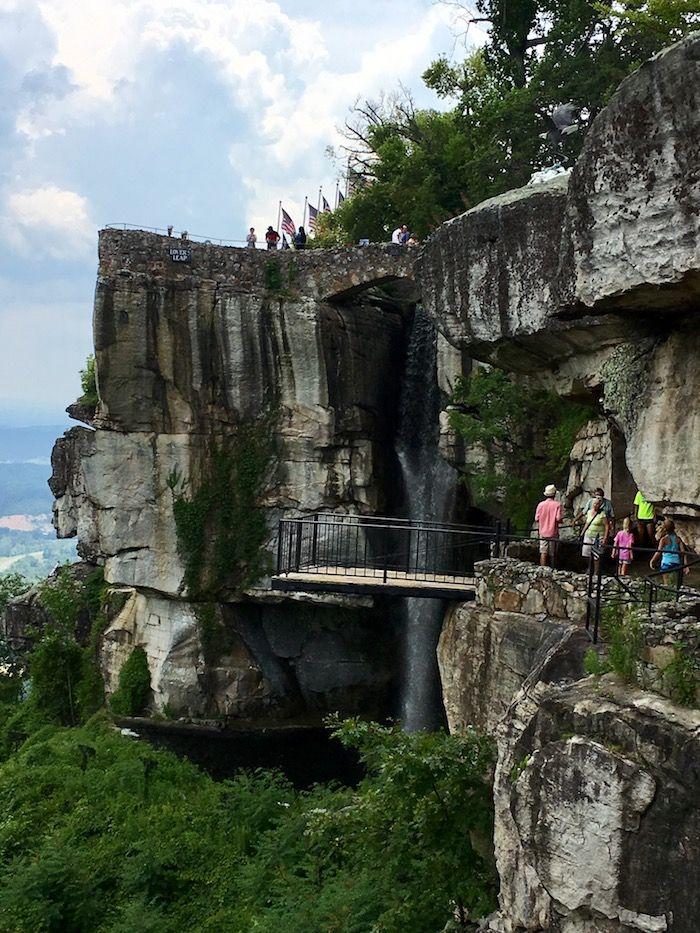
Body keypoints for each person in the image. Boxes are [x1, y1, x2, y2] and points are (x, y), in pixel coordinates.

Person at [651, 518, 689, 587]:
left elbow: (658, 552)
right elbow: (683, 553)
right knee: (675, 582)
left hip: (666, 562)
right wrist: (686, 565)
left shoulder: (663, 540)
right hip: (676, 562)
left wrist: (652, 561)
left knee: (666, 583)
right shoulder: (678, 539)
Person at [534, 484, 562, 567]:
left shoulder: (540, 505)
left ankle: (542, 569)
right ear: (554, 495)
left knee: (543, 551)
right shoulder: (557, 505)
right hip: (553, 531)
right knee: (552, 552)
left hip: (542, 532)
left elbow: (536, 518)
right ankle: (552, 568)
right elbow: (558, 518)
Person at [581, 496, 609, 565]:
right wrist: (582, 533)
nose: (595, 505)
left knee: (596, 555)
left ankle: (596, 572)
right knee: (586, 553)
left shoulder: (602, 514)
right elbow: (587, 523)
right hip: (588, 535)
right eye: (594, 503)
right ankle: (590, 567)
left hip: (598, 536)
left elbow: (607, 526)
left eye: (597, 504)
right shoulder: (589, 512)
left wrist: (605, 537)